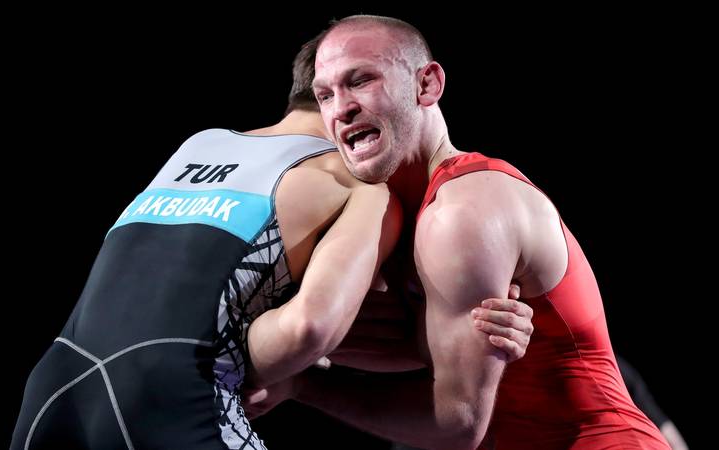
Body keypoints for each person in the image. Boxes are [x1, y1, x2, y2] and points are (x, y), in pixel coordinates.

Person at [10, 35, 532, 450]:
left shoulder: (199, 144)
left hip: (51, 388)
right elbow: (309, 329)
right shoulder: (358, 186)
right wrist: (237, 365)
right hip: (173, 392)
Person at [245, 15, 670, 450]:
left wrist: (303, 385)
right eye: (325, 95)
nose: (341, 108)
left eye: (361, 81)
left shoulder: (463, 209)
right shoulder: (385, 215)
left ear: (426, 85)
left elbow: (458, 422)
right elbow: (407, 347)